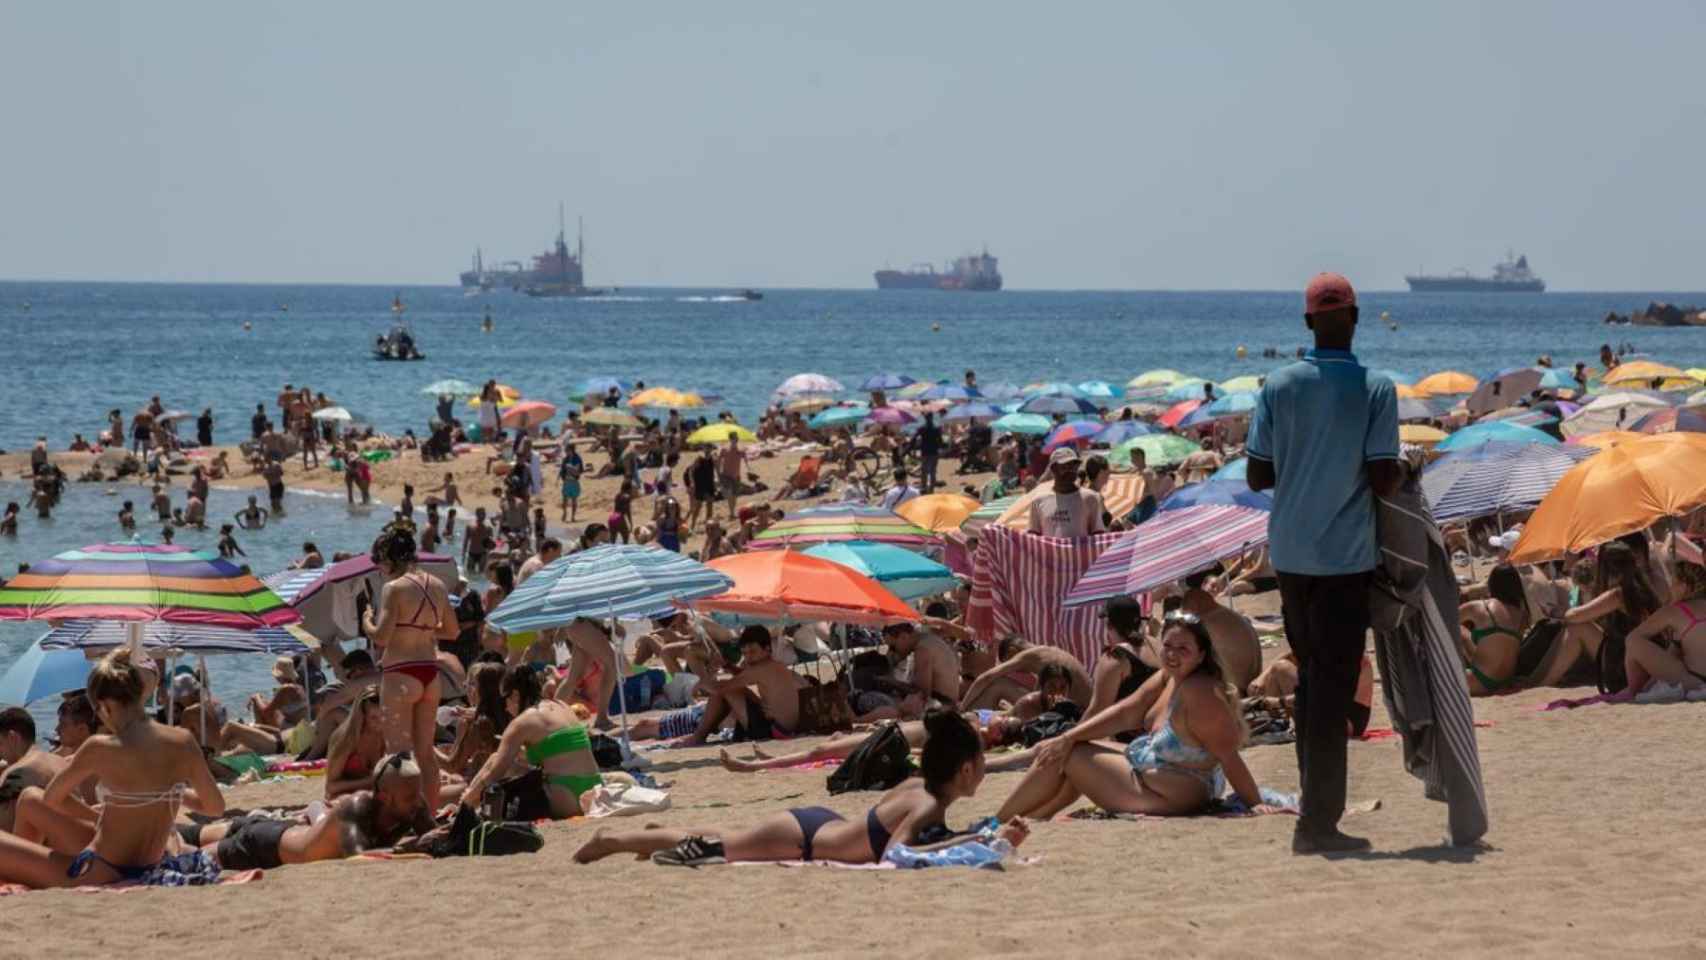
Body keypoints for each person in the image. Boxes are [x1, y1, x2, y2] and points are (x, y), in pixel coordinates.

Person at [1245, 271, 1400, 854]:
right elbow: (1384, 476)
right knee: (1331, 689)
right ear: (1355, 320)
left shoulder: (1278, 386)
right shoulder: (1376, 389)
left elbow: (1258, 474)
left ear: (1308, 323)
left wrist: (1305, 466)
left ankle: (1314, 810)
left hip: (1290, 555)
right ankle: (1317, 824)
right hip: (1343, 558)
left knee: (1313, 681)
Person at [577, 709, 1028, 867]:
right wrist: (980, 838)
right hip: (805, 840)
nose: (985, 768)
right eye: (982, 761)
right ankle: (612, 838)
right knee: (717, 844)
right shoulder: (928, 804)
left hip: (819, 828)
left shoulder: (920, 787)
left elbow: (929, 843)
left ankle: (651, 831)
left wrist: (984, 835)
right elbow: (899, 855)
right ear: (966, 770)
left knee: (722, 838)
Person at [997, 615, 1276, 820]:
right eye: (1168, 646)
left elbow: (1229, 756)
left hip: (1176, 794)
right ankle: (1029, 818)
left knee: (1070, 753)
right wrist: (1068, 736)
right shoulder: (1171, 675)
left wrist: (1254, 803)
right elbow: (1129, 710)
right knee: (1070, 746)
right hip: (1158, 774)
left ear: (1201, 654)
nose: (1173, 655)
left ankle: (998, 820)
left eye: (1183, 649)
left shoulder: (1199, 692)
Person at [0, 648, 225, 888]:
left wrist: (95, 815)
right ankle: (23, 876)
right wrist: (167, 793)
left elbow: (53, 798)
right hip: (149, 864)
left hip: (99, 871)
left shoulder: (99, 748)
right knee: (30, 797)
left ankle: (22, 879)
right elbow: (215, 807)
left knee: (29, 809)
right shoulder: (183, 741)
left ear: (106, 705)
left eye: (97, 710)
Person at [186, 751, 435, 870]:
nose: (417, 801)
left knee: (184, 838)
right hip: (261, 847)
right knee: (178, 858)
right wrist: (413, 846)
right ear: (383, 797)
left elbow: (436, 841)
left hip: (282, 831)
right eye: (410, 796)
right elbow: (359, 859)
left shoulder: (413, 806)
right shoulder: (356, 808)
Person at [361, 521, 459, 811]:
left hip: (400, 673)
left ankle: (402, 816)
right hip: (429, 673)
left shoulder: (394, 588)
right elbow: (452, 632)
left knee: (398, 754)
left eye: (380, 563)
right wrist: (421, 629)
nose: (380, 570)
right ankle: (429, 813)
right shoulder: (437, 585)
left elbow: (381, 637)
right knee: (426, 754)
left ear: (389, 560)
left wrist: (367, 619)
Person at [460, 666, 603, 819]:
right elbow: (556, 752)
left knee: (498, 765)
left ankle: (463, 806)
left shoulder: (522, 722)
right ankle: (465, 803)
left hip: (565, 797)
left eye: (505, 699)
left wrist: (468, 799)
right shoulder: (562, 706)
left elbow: (496, 773)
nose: (506, 708)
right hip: (593, 790)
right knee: (499, 759)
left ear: (515, 695)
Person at [1560, 540, 1663, 694]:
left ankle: (1541, 681)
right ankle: (1540, 678)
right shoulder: (1641, 588)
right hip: (1644, 665)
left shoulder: (1617, 595)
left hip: (1625, 672)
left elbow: (1572, 616)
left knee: (1578, 627)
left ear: (1604, 567)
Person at [681, 627, 803, 744]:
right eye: (745, 653)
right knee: (737, 689)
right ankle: (701, 733)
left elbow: (719, 689)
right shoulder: (775, 665)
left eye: (753, 652)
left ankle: (698, 736)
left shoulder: (759, 669)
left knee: (725, 689)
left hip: (772, 731)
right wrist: (728, 666)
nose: (748, 657)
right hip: (784, 728)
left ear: (767, 649)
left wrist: (701, 682)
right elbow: (745, 677)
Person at [1612, 558, 1706, 700]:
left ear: (1684, 586)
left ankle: (1632, 691)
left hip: (1696, 681)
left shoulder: (1675, 610)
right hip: (1696, 677)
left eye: (1673, 583)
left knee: (1633, 641)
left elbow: (1635, 636)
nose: (1670, 588)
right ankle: (1640, 689)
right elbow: (1671, 657)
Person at [1173, 570, 1262, 692]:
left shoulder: (1207, 621)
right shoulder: (1228, 615)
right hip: (1251, 681)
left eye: (1188, 614)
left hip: (1236, 689)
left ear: (1195, 607)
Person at [961, 636, 1093, 713]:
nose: (1017, 672)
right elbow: (1038, 698)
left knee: (998, 685)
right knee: (1004, 705)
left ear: (1013, 650)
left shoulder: (1028, 656)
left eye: (1010, 662)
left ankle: (969, 719)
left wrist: (961, 708)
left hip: (1074, 711)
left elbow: (985, 678)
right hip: (1080, 708)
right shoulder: (1049, 653)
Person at [1457, 564, 1530, 695]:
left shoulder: (1480, 607)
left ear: (1492, 583)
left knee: (1458, 628)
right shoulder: (1523, 614)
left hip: (1479, 681)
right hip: (1505, 680)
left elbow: (1447, 622)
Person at [1086, 596, 1160, 718]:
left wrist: (1067, 736)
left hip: (1132, 734)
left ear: (1109, 625)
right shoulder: (1156, 644)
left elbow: (1097, 711)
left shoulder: (1114, 658)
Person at [0, 709, 66, 833]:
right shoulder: (59, 760)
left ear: (13, 737)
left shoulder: (19, 771)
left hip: (53, 849)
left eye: (0, 744)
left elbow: (4, 828)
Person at [1026, 447, 1105, 538]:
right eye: (1064, 467)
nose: (1070, 471)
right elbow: (1033, 538)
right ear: (1053, 469)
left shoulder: (1091, 498)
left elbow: (1098, 535)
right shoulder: (1038, 501)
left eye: (1073, 466)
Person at [882, 622, 962, 705]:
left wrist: (892, 682)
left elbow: (922, 694)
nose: (890, 652)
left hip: (942, 707)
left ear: (904, 637)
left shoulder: (923, 649)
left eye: (893, 647)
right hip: (942, 702)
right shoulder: (927, 640)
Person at [247, 657, 308, 729]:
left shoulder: (285, 689)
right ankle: (260, 728)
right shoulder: (299, 687)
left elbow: (266, 712)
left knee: (257, 702)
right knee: (263, 701)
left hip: (291, 729)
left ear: (280, 676)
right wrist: (260, 699)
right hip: (299, 725)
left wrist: (256, 697)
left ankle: (260, 731)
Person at [915, 412, 943, 493]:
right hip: (934, 452)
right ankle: (931, 490)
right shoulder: (936, 428)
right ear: (932, 418)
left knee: (924, 471)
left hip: (924, 452)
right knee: (932, 471)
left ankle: (923, 488)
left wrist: (908, 449)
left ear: (925, 418)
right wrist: (941, 447)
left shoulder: (922, 428)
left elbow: (915, 439)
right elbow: (940, 441)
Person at [719, 435, 746, 519]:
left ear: (737, 440)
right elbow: (719, 461)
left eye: (735, 440)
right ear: (730, 440)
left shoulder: (740, 451)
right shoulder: (724, 450)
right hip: (726, 475)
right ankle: (731, 513)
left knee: (734, 496)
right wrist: (718, 473)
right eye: (732, 439)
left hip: (736, 476)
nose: (734, 441)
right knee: (730, 495)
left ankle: (732, 512)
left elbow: (745, 460)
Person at [558, 447, 584, 522]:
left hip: (574, 481)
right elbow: (562, 470)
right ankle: (564, 513)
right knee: (564, 500)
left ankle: (573, 516)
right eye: (566, 451)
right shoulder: (565, 459)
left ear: (571, 450)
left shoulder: (577, 458)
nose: (566, 453)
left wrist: (570, 468)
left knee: (574, 500)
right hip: (566, 481)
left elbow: (578, 471)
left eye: (567, 451)